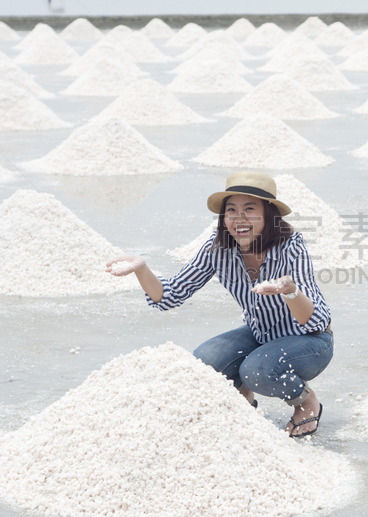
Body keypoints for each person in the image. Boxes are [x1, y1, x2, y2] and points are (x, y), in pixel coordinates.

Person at [106, 171, 332, 437]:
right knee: (204, 364)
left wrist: (290, 291)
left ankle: (306, 401)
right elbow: (170, 295)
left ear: (269, 215)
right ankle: (242, 397)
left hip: (310, 341)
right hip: (262, 335)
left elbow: (313, 320)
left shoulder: (291, 246)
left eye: (250, 209)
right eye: (232, 210)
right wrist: (142, 269)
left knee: (257, 370)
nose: (239, 218)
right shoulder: (218, 249)